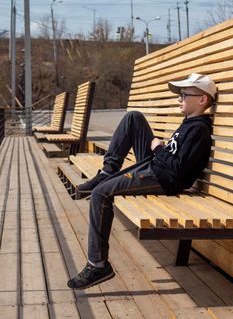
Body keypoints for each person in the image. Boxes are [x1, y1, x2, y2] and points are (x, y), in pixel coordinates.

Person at [67, 73, 217, 290]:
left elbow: (177, 171)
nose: (179, 99)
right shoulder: (190, 124)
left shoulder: (199, 130)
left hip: (163, 178)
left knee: (100, 194)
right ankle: (108, 171)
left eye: (184, 95)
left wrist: (157, 148)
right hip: (156, 165)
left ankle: (97, 264)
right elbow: (175, 156)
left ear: (202, 100)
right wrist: (161, 149)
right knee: (133, 118)